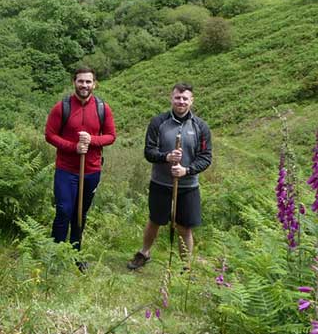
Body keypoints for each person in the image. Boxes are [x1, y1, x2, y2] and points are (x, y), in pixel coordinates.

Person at [127, 83, 212, 270]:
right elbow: (149, 152)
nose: (181, 101)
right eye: (177, 98)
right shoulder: (158, 122)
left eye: (185, 98)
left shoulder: (201, 127)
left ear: (191, 101)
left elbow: (206, 158)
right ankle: (144, 253)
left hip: (188, 185)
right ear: (171, 98)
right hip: (161, 182)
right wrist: (166, 157)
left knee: (185, 227)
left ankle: (186, 266)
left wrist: (186, 170)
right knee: (155, 220)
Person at [45, 68, 116, 266]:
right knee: (64, 210)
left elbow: (111, 136)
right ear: (74, 82)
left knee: (80, 213)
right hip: (66, 169)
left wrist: (92, 140)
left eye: (88, 82)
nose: (84, 85)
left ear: (95, 83)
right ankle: (55, 254)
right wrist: (73, 147)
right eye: (80, 81)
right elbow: (50, 135)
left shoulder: (103, 108)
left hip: (91, 170)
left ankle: (76, 254)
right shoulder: (62, 107)